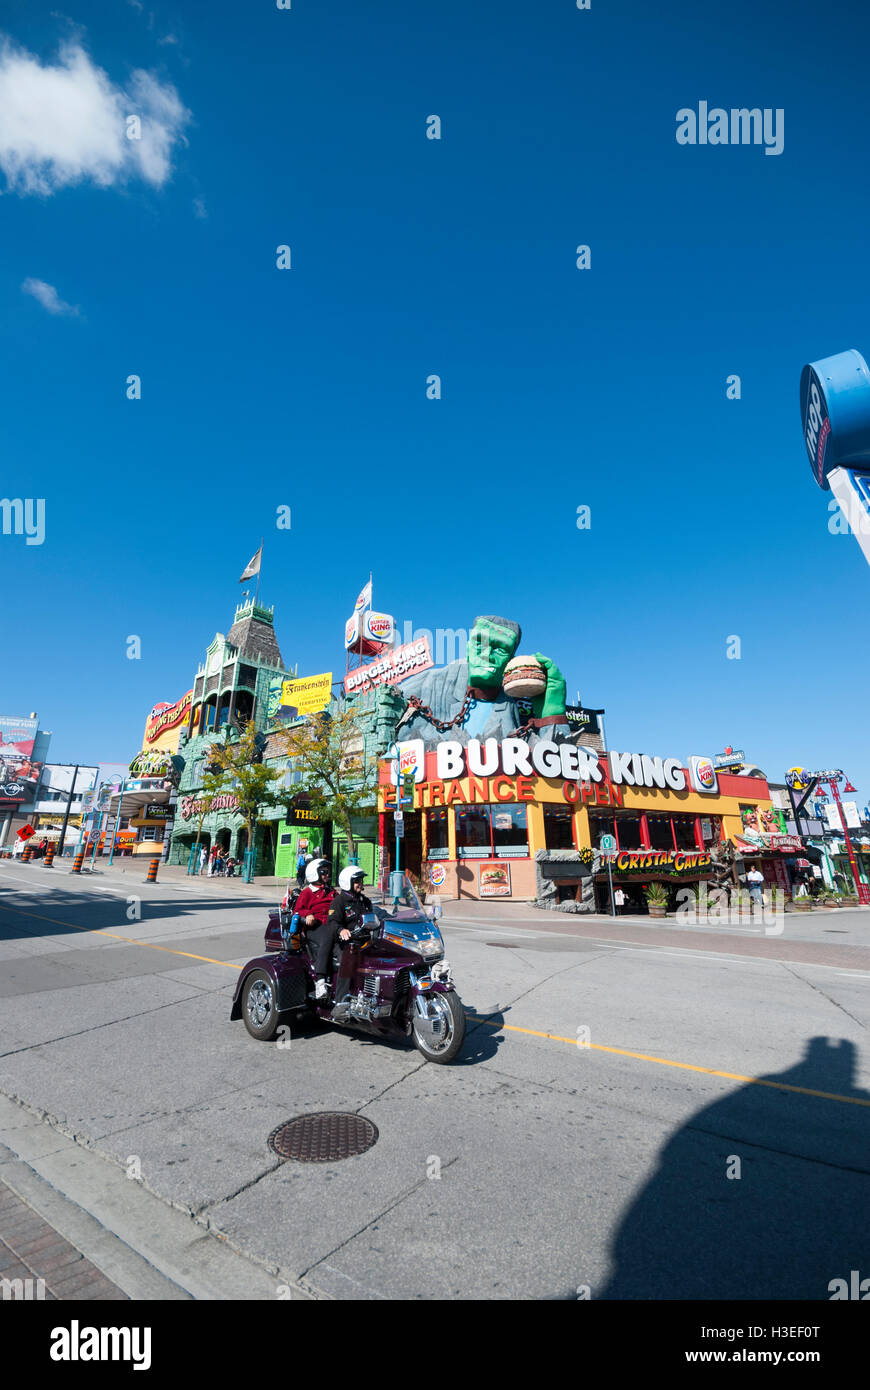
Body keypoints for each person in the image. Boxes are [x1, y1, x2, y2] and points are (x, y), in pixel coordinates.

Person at [289, 858, 339, 999]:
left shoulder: (331, 891)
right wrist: (308, 914)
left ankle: (342, 986)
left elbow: (341, 904)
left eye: (327, 872)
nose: (326, 875)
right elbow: (298, 910)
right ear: (314, 874)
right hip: (315, 926)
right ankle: (320, 980)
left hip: (332, 925)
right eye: (323, 872)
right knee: (328, 936)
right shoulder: (307, 892)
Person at [324, 867, 373, 999]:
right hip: (345, 943)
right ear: (347, 882)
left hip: (364, 941)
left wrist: (397, 917)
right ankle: (341, 1002)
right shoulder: (339, 902)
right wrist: (341, 930)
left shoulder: (364, 901)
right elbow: (332, 922)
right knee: (348, 959)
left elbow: (376, 915)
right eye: (357, 880)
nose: (360, 883)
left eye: (361, 880)